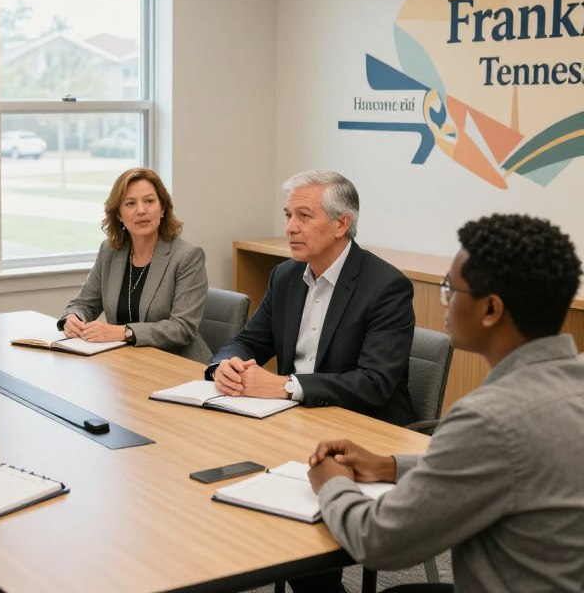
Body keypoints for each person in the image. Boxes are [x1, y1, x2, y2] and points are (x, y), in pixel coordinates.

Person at [308, 214, 584, 593]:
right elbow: (516, 460)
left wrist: (332, 485)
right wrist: (390, 466)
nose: (445, 301)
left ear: (491, 310)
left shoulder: (489, 418)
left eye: (450, 288)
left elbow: (378, 542)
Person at [206, 169, 415, 426]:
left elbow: (374, 383)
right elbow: (250, 340)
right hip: (296, 418)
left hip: (362, 426)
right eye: (288, 216)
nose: (290, 228)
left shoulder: (386, 287)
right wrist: (226, 365)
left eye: (303, 216)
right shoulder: (285, 276)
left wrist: (287, 386)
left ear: (341, 224)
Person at [58, 167, 209, 362]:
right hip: (127, 362)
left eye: (149, 201)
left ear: (162, 208)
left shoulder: (187, 256)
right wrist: (72, 318)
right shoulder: (110, 251)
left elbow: (182, 327)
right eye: (130, 203)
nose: (141, 210)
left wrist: (125, 332)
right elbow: (84, 303)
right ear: (119, 214)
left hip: (177, 364)